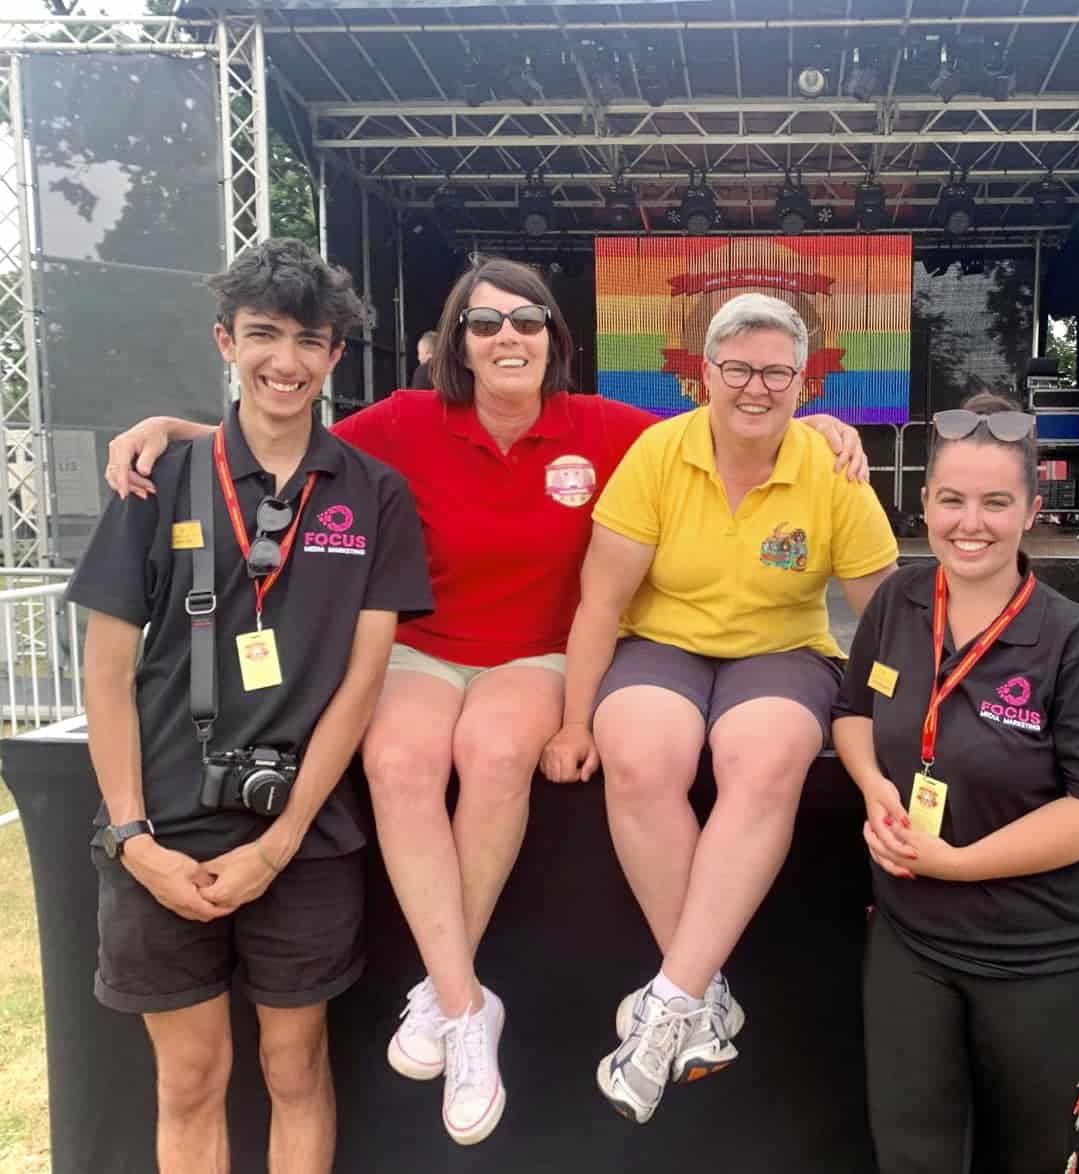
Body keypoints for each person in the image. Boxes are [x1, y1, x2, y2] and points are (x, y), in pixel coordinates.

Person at [104, 259, 869, 1146]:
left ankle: (444, 994)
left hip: (537, 656)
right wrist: (170, 429)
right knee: (397, 761)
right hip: (425, 650)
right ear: (456, 344)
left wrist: (816, 423)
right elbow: (279, 437)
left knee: (499, 755)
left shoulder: (609, 429)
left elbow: (728, 423)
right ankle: (466, 1009)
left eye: (528, 320)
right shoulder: (403, 423)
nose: (508, 336)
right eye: (485, 322)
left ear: (555, 337)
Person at [69, 238, 432, 1174]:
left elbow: (361, 682)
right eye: (263, 334)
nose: (286, 360)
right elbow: (105, 673)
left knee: (294, 1065)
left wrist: (278, 843)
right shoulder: (153, 482)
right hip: (160, 827)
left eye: (309, 341)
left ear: (335, 358)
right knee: (190, 1078)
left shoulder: (375, 494)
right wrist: (134, 840)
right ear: (224, 341)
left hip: (302, 836)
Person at [541, 292, 900, 1124]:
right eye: (736, 369)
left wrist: (913, 717)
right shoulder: (658, 453)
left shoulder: (830, 466)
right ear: (705, 374)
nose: (755, 387)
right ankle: (702, 1000)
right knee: (637, 751)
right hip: (661, 640)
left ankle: (670, 1002)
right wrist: (570, 719)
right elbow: (600, 602)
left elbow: (886, 612)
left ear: (804, 381)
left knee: (763, 757)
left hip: (783, 648)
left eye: (776, 371)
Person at [831, 391, 1079, 1173]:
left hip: (1042, 952)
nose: (971, 522)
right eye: (952, 499)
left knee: (1029, 1160)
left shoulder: (1074, 643)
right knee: (912, 1153)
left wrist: (960, 864)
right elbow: (852, 714)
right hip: (911, 937)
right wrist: (873, 785)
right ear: (924, 503)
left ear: (1032, 509)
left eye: (996, 502)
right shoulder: (898, 601)